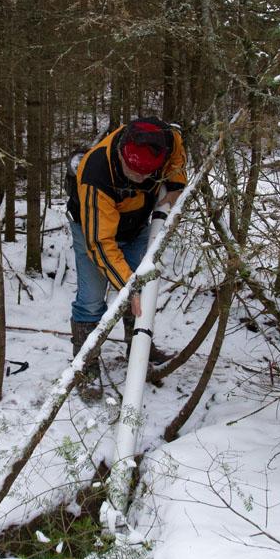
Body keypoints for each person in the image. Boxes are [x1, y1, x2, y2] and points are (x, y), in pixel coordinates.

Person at [66, 117, 187, 400]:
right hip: (93, 232)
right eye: (134, 174)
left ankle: (140, 349)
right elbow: (101, 242)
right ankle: (87, 368)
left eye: (147, 175)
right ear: (122, 154)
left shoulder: (165, 138)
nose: (142, 180)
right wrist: (126, 285)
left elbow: (177, 156)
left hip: (135, 226)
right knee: (92, 299)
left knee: (142, 290)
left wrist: (177, 184)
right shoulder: (97, 172)